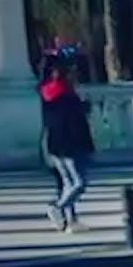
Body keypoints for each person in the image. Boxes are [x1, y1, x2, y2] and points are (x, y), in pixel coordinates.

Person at [40, 56, 94, 232]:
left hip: (54, 143)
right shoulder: (65, 92)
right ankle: (58, 207)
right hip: (71, 142)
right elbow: (74, 117)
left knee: (66, 183)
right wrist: (84, 105)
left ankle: (70, 221)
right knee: (79, 182)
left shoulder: (46, 91)